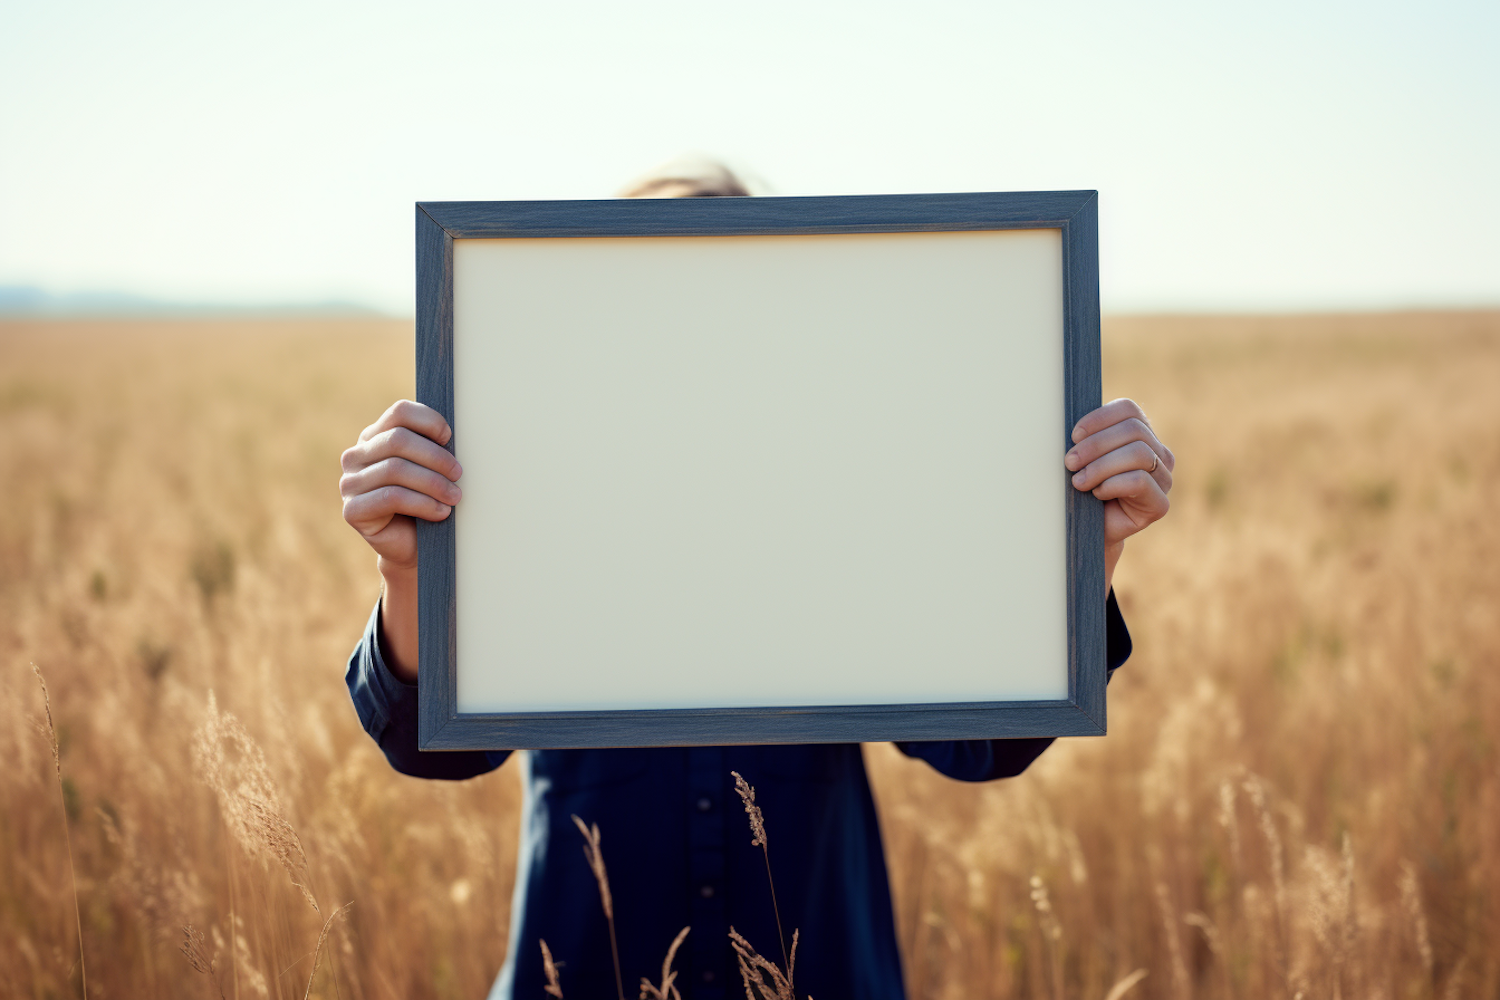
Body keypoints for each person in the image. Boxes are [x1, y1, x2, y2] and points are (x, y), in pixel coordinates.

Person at [341, 161, 1174, 999]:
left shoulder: (844, 518)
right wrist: (406, 570)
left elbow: (987, 743)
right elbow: (427, 746)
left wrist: (1086, 550)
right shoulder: (540, 497)